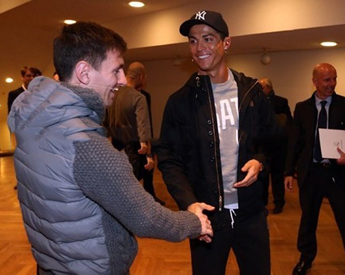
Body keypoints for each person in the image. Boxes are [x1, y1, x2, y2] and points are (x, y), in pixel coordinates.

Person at [7, 21, 214, 274]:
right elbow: (146, 219)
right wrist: (193, 223)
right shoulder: (88, 147)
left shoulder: (32, 121)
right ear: (84, 72)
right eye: (116, 70)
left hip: (52, 262)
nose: (123, 79)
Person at [155, 10, 276, 275]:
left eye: (208, 38)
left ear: (226, 43)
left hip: (251, 213)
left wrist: (260, 161)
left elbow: (271, 141)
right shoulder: (180, 102)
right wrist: (189, 202)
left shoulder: (253, 93)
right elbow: (168, 157)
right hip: (207, 216)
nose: (199, 48)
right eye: (193, 40)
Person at [284, 63, 345, 275]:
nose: (331, 84)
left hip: (339, 174)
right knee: (308, 220)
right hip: (311, 173)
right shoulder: (302, 108)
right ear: (315, 81)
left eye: (334, 79)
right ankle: (306, 259)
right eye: (326, 80)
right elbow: (295, 143)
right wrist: (288, 172)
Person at [105, 61, 165, 205]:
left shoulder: (113, 94)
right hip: (134, 149)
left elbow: (105, 122)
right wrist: (149, 153)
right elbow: (143, 126)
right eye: (145, 78)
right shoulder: (138, 97)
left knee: (120, 188)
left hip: (115, 146)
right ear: (141, 77)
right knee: (132, 191)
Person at [259, 78, 292, 214]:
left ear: (269, 88)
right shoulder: (257, 102)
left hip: (278, 146)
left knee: (277, 177)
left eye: (262, 87)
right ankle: (262, 202)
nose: (260, 90)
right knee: (263, 177)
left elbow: (289, 122)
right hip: (263, 146)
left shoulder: (281, 101)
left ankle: (279, 203)